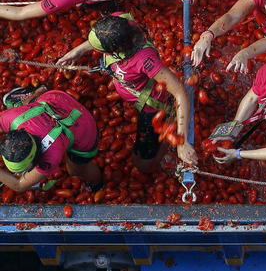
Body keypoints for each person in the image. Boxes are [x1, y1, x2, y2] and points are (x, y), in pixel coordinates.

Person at [56, 12, 197, 171]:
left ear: (116, 51)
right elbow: (99, 37)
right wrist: (78, 51)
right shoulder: (118, 23)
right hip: (135, 97)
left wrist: (181, 141)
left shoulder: (145, 60)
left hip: (151, 107)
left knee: (143, 165)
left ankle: (169, 129)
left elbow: (180, 92)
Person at [0, 86, 103, 194]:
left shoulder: (50, 157)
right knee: (20, 106)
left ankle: (97, 185)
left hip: (83, 127)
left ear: (36, 159)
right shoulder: (12, 117)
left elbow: (19, 185)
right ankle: (39, 91)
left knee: (76, 170)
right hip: (56, 99)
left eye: (24, 170)